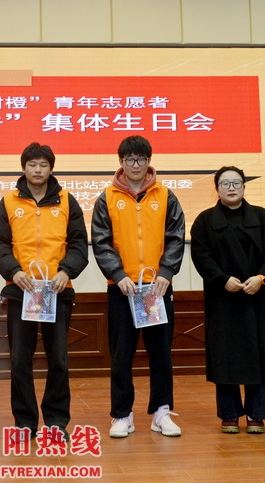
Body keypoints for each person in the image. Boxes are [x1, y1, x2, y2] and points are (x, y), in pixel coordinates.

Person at [0, 142, 89, 440]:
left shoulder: (67, 200)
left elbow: (79, 243)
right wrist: (14, 272)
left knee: (58, 359)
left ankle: (56, 422)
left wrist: (65, 271)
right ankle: (24, 422)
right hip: (21, 291)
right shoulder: (9, 202)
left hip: (56, 291)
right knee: (20, 360)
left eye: (43, 164)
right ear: (23, 168)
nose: (37, 169)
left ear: (51, 168)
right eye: (32, 164)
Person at [91, 135, 185, 438]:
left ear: (149, 161)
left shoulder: (166, 195)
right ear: (121, 162)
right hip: (123, 289)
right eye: (130, 159)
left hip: (157, 289)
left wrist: (166, 272)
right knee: (121, 355)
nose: (135, 165)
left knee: (161, 354)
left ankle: (161, 412)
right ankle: (122, 415)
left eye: (141, 159)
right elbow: (101, 241)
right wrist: (118, 274)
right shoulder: (107, 197)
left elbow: (176, 236)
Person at [190, 166, 265, 434]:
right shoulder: (204, 221)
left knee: (260, 355)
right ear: (217, 188)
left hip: (258, 296)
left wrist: (261, 278)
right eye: (225, 184)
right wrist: (222, 279)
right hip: (223, 298)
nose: (231, 188)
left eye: (236, 183)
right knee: (226, 356)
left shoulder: (263, 217)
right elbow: (201, 256)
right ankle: (229, 414)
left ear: (244, 186)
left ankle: (257, 414)